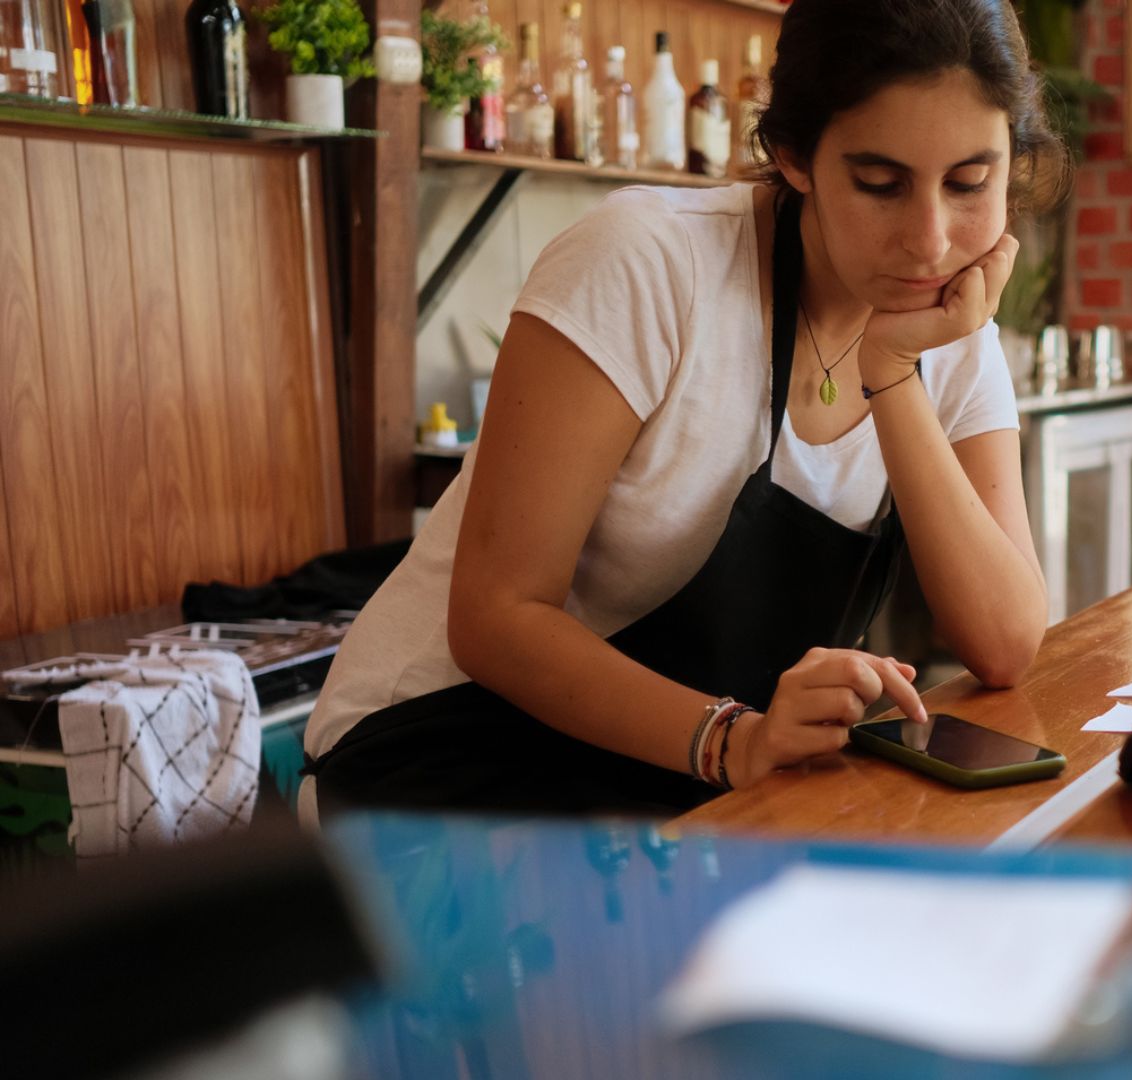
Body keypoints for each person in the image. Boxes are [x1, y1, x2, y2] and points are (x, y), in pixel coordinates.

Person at [301, 0, 1065, 819]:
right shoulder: (648, 264)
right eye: (880, 184)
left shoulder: (947, 326)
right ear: (794, 155)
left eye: (969, 183)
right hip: (439, 770)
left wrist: (894, 373)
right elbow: (496, 618)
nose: (932, 240)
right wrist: (733, 740)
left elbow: (1004, 640)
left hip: (666, 787)